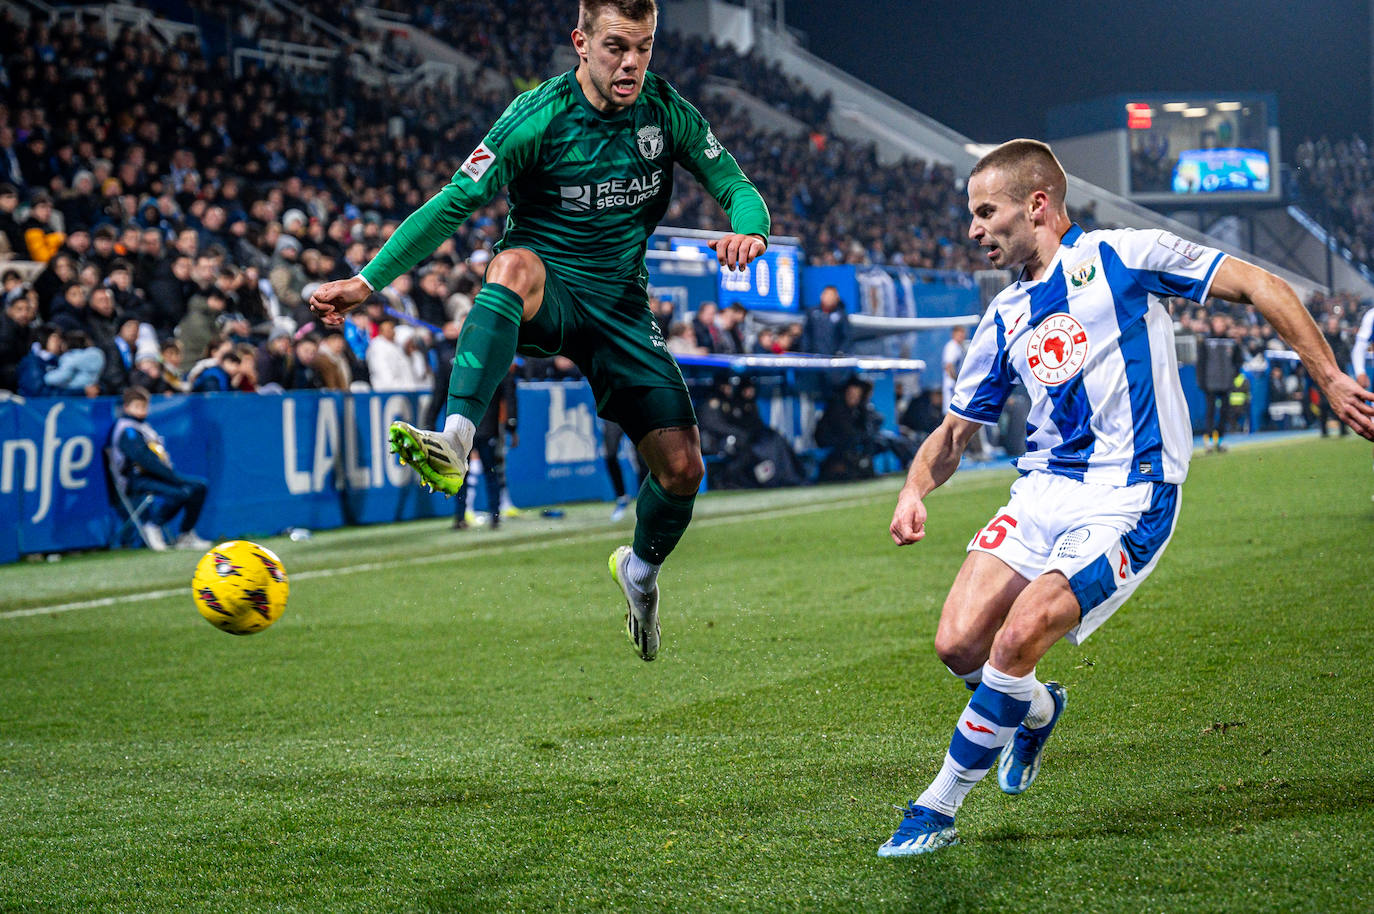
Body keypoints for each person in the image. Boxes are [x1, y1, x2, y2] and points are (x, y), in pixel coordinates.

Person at [878, 139, 1374, 857]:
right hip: (1044, 488)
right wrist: (913, 489)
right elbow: (955, 432)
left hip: (1129, 493)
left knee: (1016, 640)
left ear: (1038, 205)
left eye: (986, 212)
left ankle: (938, 806)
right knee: (958, 644)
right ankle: (1040, 709)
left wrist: (1328, 376)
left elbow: (1263, 285)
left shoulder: (1126, 255)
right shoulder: (1006, 313)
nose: (974, 229)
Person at [308, 0, 770, 662]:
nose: (632, 62)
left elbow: (734, 182)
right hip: (547, 292)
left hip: (621, 312)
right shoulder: (535, 118)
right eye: (616, 46)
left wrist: (750, 228)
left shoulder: (665, 112)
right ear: (580, 42)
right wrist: (366, 283)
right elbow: (452, 203)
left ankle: (639, 572)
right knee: (513, 264)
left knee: (682, 471)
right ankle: (456, 439)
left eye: (644, 47)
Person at [107, 386, 211, 552]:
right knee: (182, 492)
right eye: (137, 406)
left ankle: (185, 534)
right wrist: (173, 478)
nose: (142, 411)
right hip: (137, 480)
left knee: (199, 486)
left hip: (156, 476)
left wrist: (171, 476)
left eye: (144, 406)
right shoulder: (127, 429)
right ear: (127, 407)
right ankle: (153, 525)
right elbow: (144, 460)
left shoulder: (143, 426)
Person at [454, 362, 519, 530]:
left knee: (471, 473)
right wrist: (512, 426)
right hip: (480, 428)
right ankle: (487, 516)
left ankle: (467, 516)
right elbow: (509, 397)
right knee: (487, 473)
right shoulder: (496, 365)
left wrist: (511, 425)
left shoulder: (463, 364)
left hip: (471, 428)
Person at [1196, 312, 1242, 451]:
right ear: (1212, 324)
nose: (1219, 326)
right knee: (1210, 412)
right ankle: (1208, 440)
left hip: (1226, 383)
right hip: (1210, 382)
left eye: (1222, 323)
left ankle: (1220, 440)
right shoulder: (1205, 341)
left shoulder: (1232, 342)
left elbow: (1238, 361)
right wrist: (1202, 382)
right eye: (1217, 323)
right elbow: (1201, 363)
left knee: (1224, 413)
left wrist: (1233, 375)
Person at [800, 284, 850, 355]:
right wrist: (805, 352)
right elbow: (806, 334)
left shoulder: (841, 316)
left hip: (833, 359)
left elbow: (846, 337)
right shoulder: (812, 313)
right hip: (813, 357)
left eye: (832, 296)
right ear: (822, 296)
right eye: (827, 295)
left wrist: (841, 351)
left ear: (837, 298)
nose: (829, 298)